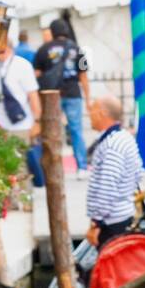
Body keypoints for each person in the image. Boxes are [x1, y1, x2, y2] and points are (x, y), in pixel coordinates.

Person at [32, 18, 90, 178]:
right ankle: (82, 167)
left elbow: (36, 75)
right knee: (76, 130)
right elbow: (83, 75)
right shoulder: (77, 49)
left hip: (51, 95)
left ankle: (54, 168)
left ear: (52, 32)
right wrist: (88, 97)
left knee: (52, 131)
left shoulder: (43, 49)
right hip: (73, 93)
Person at [84, 94, 142, 251]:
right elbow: (138, 174)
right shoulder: (125, 138)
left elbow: (107, 186)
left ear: (103, 112)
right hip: (124, 214)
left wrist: (96, 223)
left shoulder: (111, 145)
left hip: (112, 221)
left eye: (93, 109)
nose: (89, 113)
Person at [0, 39, 45, 187]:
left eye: (1, 49)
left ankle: (24, 200)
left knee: (20, 163)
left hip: (21, 124)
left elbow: (33, 96)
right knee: (4, 163)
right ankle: (10, 199)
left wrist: (37, 122)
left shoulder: (22, 65)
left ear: (9, 48)